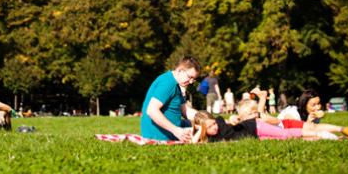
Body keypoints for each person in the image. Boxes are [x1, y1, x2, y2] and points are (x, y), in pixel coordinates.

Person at [140, 56, 201, 142]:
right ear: (180, 70)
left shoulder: (176, 84)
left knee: (211, 126)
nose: (191, 82)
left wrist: (204, 119)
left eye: (193, 79)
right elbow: (151, 110)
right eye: (189, 77)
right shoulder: (168, 83)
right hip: (159, 136)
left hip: (174, 129)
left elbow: (185, 110)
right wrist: (176, 130)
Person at [192, 111, 337, 143]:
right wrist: (200, 131)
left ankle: (321, 133)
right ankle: (319, 138)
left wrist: (234, 118)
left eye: (213, 124)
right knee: (285, 141)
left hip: (255, 127)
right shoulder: (209, 140)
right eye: (209, 127)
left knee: (285, 134)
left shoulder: (219, 121)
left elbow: (232, 119)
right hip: (256, 138)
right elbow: (194, 145)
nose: (214, 127)